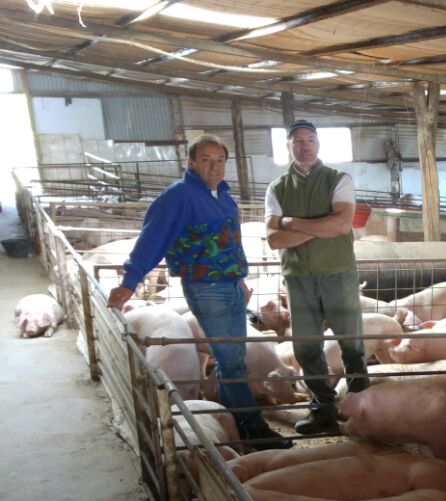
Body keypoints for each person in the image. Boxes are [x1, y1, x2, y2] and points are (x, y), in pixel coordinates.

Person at [108, 134, 292, 451]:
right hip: (207, 288)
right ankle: (252, 429)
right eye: (206, 159)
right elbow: (152, 240)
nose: (214, 166)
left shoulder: (221, 195)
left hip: (230, 285)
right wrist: (130, 282)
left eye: (220, 160)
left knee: (228, 357)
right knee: (232, 360)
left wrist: (241, 278)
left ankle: (236, 421)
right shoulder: (178, 196)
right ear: (191, 162)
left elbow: (230, 242)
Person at [265, 119, 368, 435]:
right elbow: (273, 238)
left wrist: (292, 222)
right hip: (298, 278)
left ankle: (362, 408)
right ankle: (322, 409)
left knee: (351, 345)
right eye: (298, 141)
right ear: (289, 147)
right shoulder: (277, 187)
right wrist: (318, 227)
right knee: (306, 348)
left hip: (337, 274)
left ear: (318, 144)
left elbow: (341, 226)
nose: (305, 146)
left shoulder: (339, 180)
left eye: (310, 140)